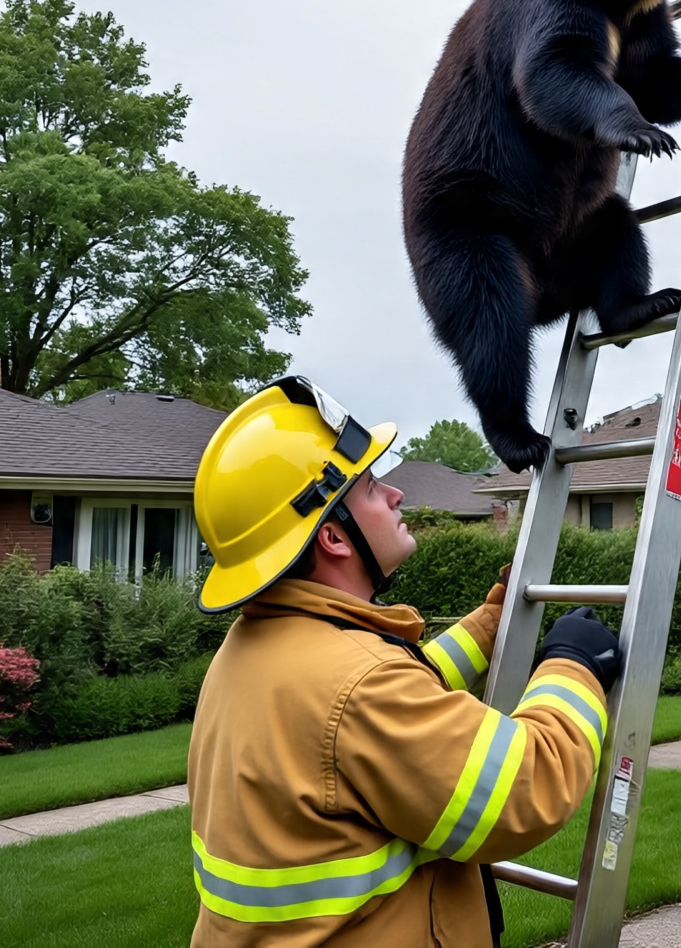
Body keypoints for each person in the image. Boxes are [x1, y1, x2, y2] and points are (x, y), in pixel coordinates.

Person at [187, 375, 621, 947]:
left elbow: (401, 695)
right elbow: (524, 789)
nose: (395, 496)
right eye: (370, 486)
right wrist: (573, 664)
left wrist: (493, 622)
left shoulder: (263, 648)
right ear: (334, 539)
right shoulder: (359, 684)